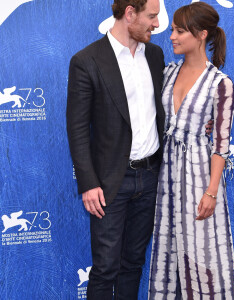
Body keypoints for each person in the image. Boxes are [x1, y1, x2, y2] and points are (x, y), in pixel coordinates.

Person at [66, 0, 165, 299]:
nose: (157, 25)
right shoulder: (87, 60)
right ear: (130, 13)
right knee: (106, 267)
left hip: (150, 177)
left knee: (133, 263)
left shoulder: (156, 55)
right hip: (110, 182)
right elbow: (78, 127)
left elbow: (167, 108)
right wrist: (88, 182)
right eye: (152, 16)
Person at [149, 2, 234, 299]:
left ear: (201, 34)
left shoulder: (220, 84)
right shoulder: (167, 73)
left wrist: (212, 191)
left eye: (179, 31)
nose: (171, 36)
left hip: (200, 178)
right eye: (172, 29)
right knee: (169, 252)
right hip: (168, 176)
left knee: (203, 256)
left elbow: (221, 145)